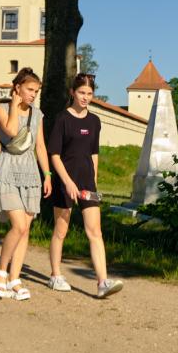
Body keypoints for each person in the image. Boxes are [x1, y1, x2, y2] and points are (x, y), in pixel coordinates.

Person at [47, 73, 123, 299]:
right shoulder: (62, 119)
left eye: (89, 94)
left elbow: (94, 153)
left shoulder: (94, 121)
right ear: (72, 92)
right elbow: (54, 155)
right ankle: (55, 275)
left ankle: (102, 282)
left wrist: (94, 181)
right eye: (81, 92)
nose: (85, 97)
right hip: (65, 181)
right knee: (61, 230)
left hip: (87, 183)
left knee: (95, 231)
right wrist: (67, 182)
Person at [0, 68, 52, 300]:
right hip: (8, 169)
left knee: (25, 229)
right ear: (17, 88)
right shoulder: (1, 108)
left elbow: (40, 146)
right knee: (18, 225)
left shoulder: (38, 114)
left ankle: (15, 279)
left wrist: (47, 175)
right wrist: (14, 105)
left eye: (36, 91)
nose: (33, 94)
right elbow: (12, 132)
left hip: (30, 172)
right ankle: (0, 272)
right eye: (30, 89)